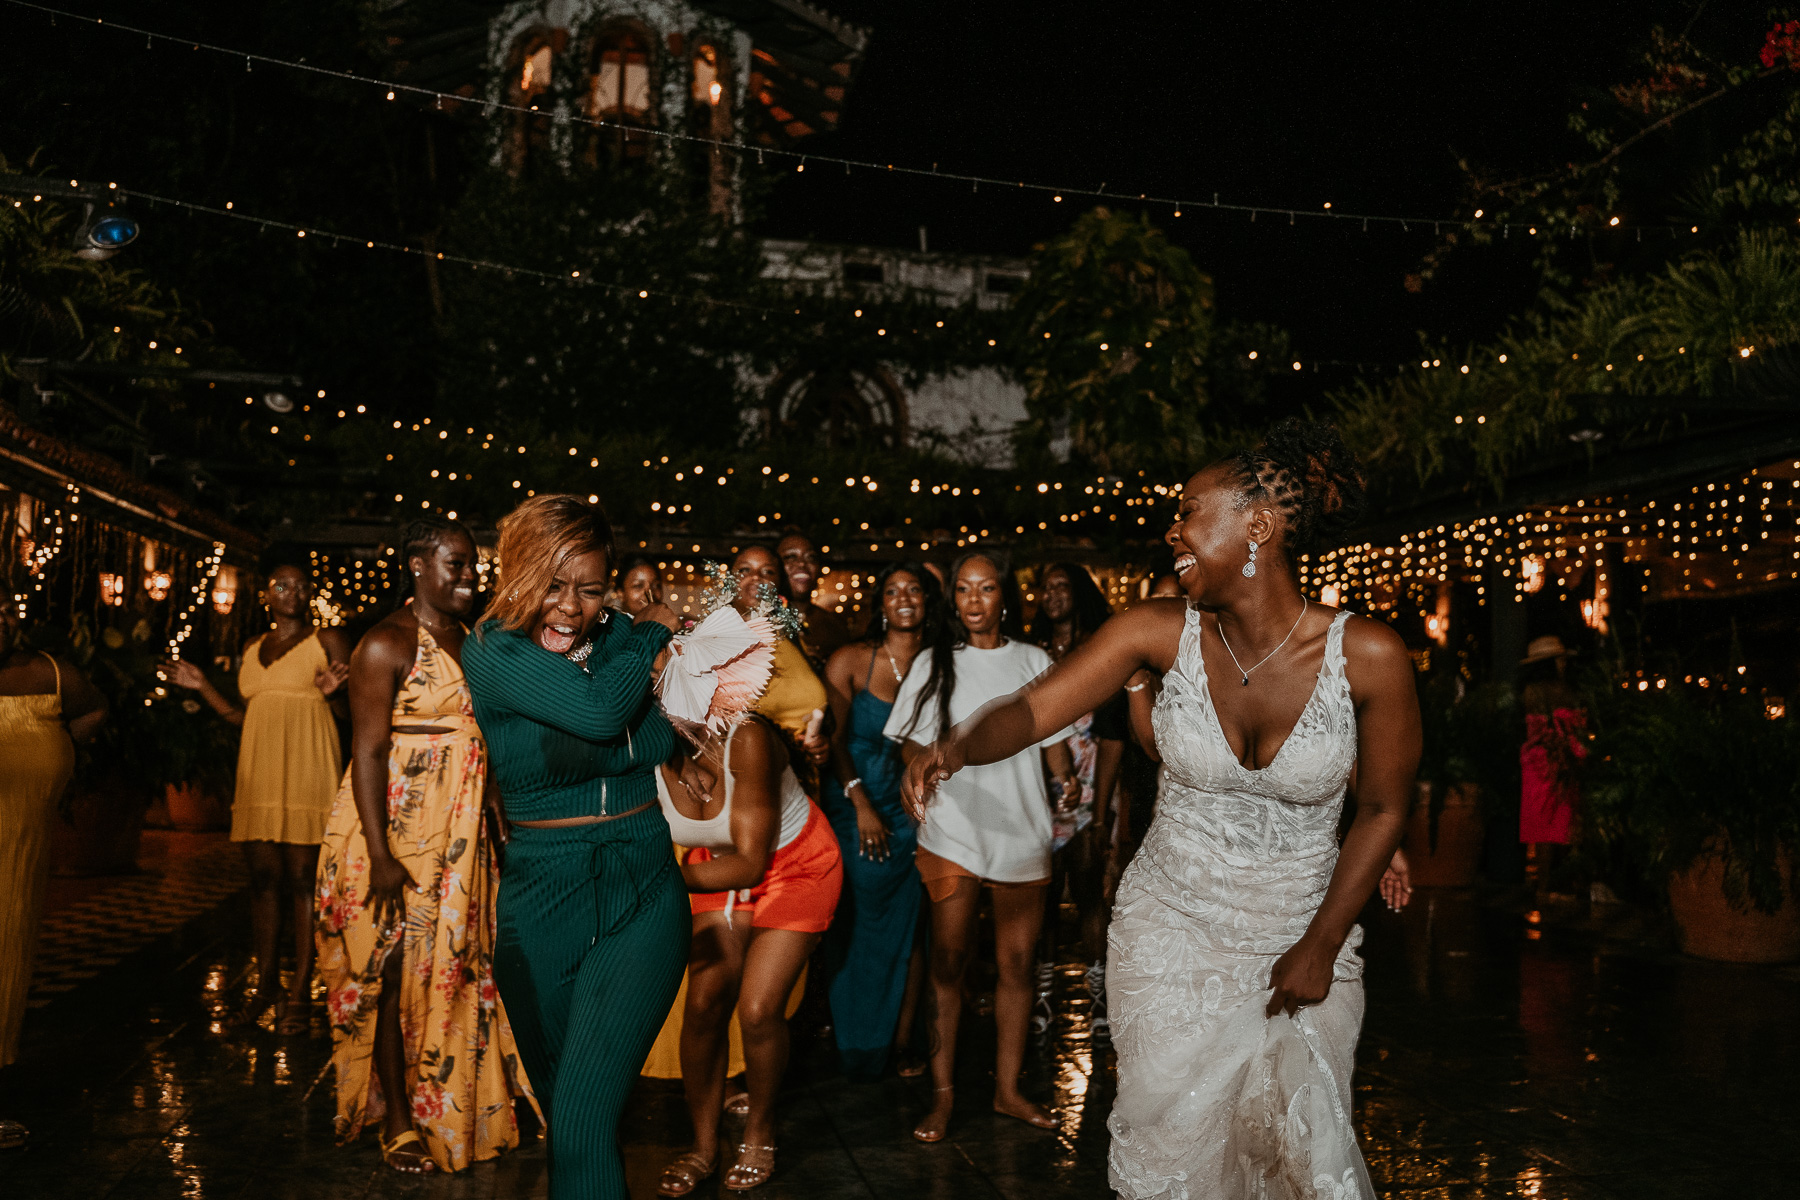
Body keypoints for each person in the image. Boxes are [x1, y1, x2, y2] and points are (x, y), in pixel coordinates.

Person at [901, 419, 1422, 1197]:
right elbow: (1032, 706)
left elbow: (1382, 809)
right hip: (1169, 932)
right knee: (1179, 1150)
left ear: (1259, 526)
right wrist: (956, 745)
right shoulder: (1157, 629)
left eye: (1188, 511)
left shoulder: (1370, 655)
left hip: (1305, 926)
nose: (1170, 529)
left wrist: (1322, 941)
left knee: (1300, 1152)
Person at [460, 495, 687, 1200]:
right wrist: (649, 636)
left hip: (643, 889)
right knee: (569, 1116)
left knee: (585, 1117)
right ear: (516, 572)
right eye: (551, 584)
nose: (569, 607)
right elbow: (600, 712)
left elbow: (665, 733)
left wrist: (634, 641)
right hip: (541, 903)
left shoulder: (617, 634)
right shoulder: (492, 648)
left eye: (590, 589)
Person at [313, 518, 532, 1174]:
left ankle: (455, 1098)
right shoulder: (385, 643)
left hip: (461, 832)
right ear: (416, 564)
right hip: (397, 831)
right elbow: (369, 749)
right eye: (456, 564)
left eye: (472, 566)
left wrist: (491, 795)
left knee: (459, 963)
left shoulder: (474, 640)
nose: (470, 576)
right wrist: (381, 855)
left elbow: (478, 734)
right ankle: (400, 1120)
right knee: (395, 964)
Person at [885, 551, 1077, 1143]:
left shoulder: (1036, 660)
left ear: (1004, 597)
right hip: (954, 829)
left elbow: (1055, 744)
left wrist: (1068, 781)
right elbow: (907, 747)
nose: (973, 600)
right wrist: (918, 771)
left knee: (1018, 966)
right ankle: (942, 1098)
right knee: (949, 961)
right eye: (963, 590)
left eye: (986, 588)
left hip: (1022, 828)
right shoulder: (935, 664)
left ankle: (1008, 1091)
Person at [653, 653, 843, 1194]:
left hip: (796, 864)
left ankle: (760, 1132)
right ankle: (703, 1146)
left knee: (758, 1007)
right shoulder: (639, 748)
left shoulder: (748, 737)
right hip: (714, 867)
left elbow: (753, 863)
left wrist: (648, 881)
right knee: (705, 1001)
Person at [166, 559, 352, 1033]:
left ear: (309, 593)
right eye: (281, 585)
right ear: (266, 594)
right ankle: (266, 984)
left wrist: (333, 696)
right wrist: (203, 686)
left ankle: (300, 992)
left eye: (300, 585)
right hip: (261, 772)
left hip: (310, 768)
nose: (291, 592)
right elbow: (242, 717)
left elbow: (356, 715)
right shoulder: (251, 647)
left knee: (303, 881)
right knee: (263, 879)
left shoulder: (326, 641)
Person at [819, 563, 945, 1080]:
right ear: (881, 604)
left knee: (911, 924)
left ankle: (899, 1039)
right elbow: (832, 741)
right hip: (855, 803)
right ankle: (851, 1037)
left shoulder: (944, 662)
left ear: (927, 601)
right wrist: (861, 804)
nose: (903, 598)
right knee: (856, 917)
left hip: (917, 808)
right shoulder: (852, 659)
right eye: (892, 590)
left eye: (913, 589)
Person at [0, 603, 107, 1151]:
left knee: (5, 960)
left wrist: (61, 755)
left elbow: (92, 711)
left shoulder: (51, 672)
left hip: (18, 846)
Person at [1029, 562, 1127, 1035]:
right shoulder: (1031, 650)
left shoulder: (1101, 647)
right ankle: (1042, 999)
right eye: (1045, 587)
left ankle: (1099, 999)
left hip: (1089, 785)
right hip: (1038, 788)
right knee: (1041, 900)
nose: (1052, 594)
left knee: (1090, 895)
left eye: (1061, 583)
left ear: (1079, 592)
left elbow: (1113, 731)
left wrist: (1100, 811)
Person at [1518, 635, 1585, 890]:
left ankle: (1545, 887)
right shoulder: (1559, 691)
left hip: (1542, 764)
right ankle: (1565, 886)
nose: (1564, 663)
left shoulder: (1531, 692)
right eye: (1559, 659)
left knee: (1546, 828)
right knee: (1562, 826)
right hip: (1555, 763)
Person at [776, 531, 850, 663]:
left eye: (811, 558)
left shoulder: (835, 625)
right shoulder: (758, 622)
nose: (802, 564)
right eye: (790, 557)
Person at [613, 554, 664, 618]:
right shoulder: (611, 626)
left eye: (656, 586)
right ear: (620, 593)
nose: (649, 592)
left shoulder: (669, 626)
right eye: (638, 586)